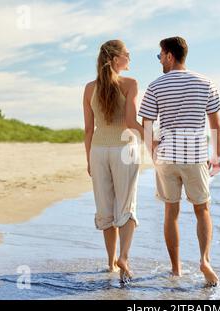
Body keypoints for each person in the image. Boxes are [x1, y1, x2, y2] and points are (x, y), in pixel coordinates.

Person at [137, 36, 220, 286]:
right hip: (195, 156)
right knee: (202, 210)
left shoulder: (155, 86)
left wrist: (152, 151)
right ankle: (205, 260)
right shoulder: (206, 83)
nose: (160, 60)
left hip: (166, 156)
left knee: (171, 212)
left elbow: (147, 124)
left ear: (169, 56)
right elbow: (215, 122)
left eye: (160, 55)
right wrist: (216, 155)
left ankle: (176, 270)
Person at [83, 39, 144, 283]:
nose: (130, 56)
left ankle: (110, 264)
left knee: (105, 208)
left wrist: (88, 158)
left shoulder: (89, 88)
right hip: (124, 150)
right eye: (127, 53)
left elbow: (88, 129)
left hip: (98, 151)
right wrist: (152, 136)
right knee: (126, 206)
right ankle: (124, 258)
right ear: (117, 58)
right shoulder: (130, 84)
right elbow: (130, 123)